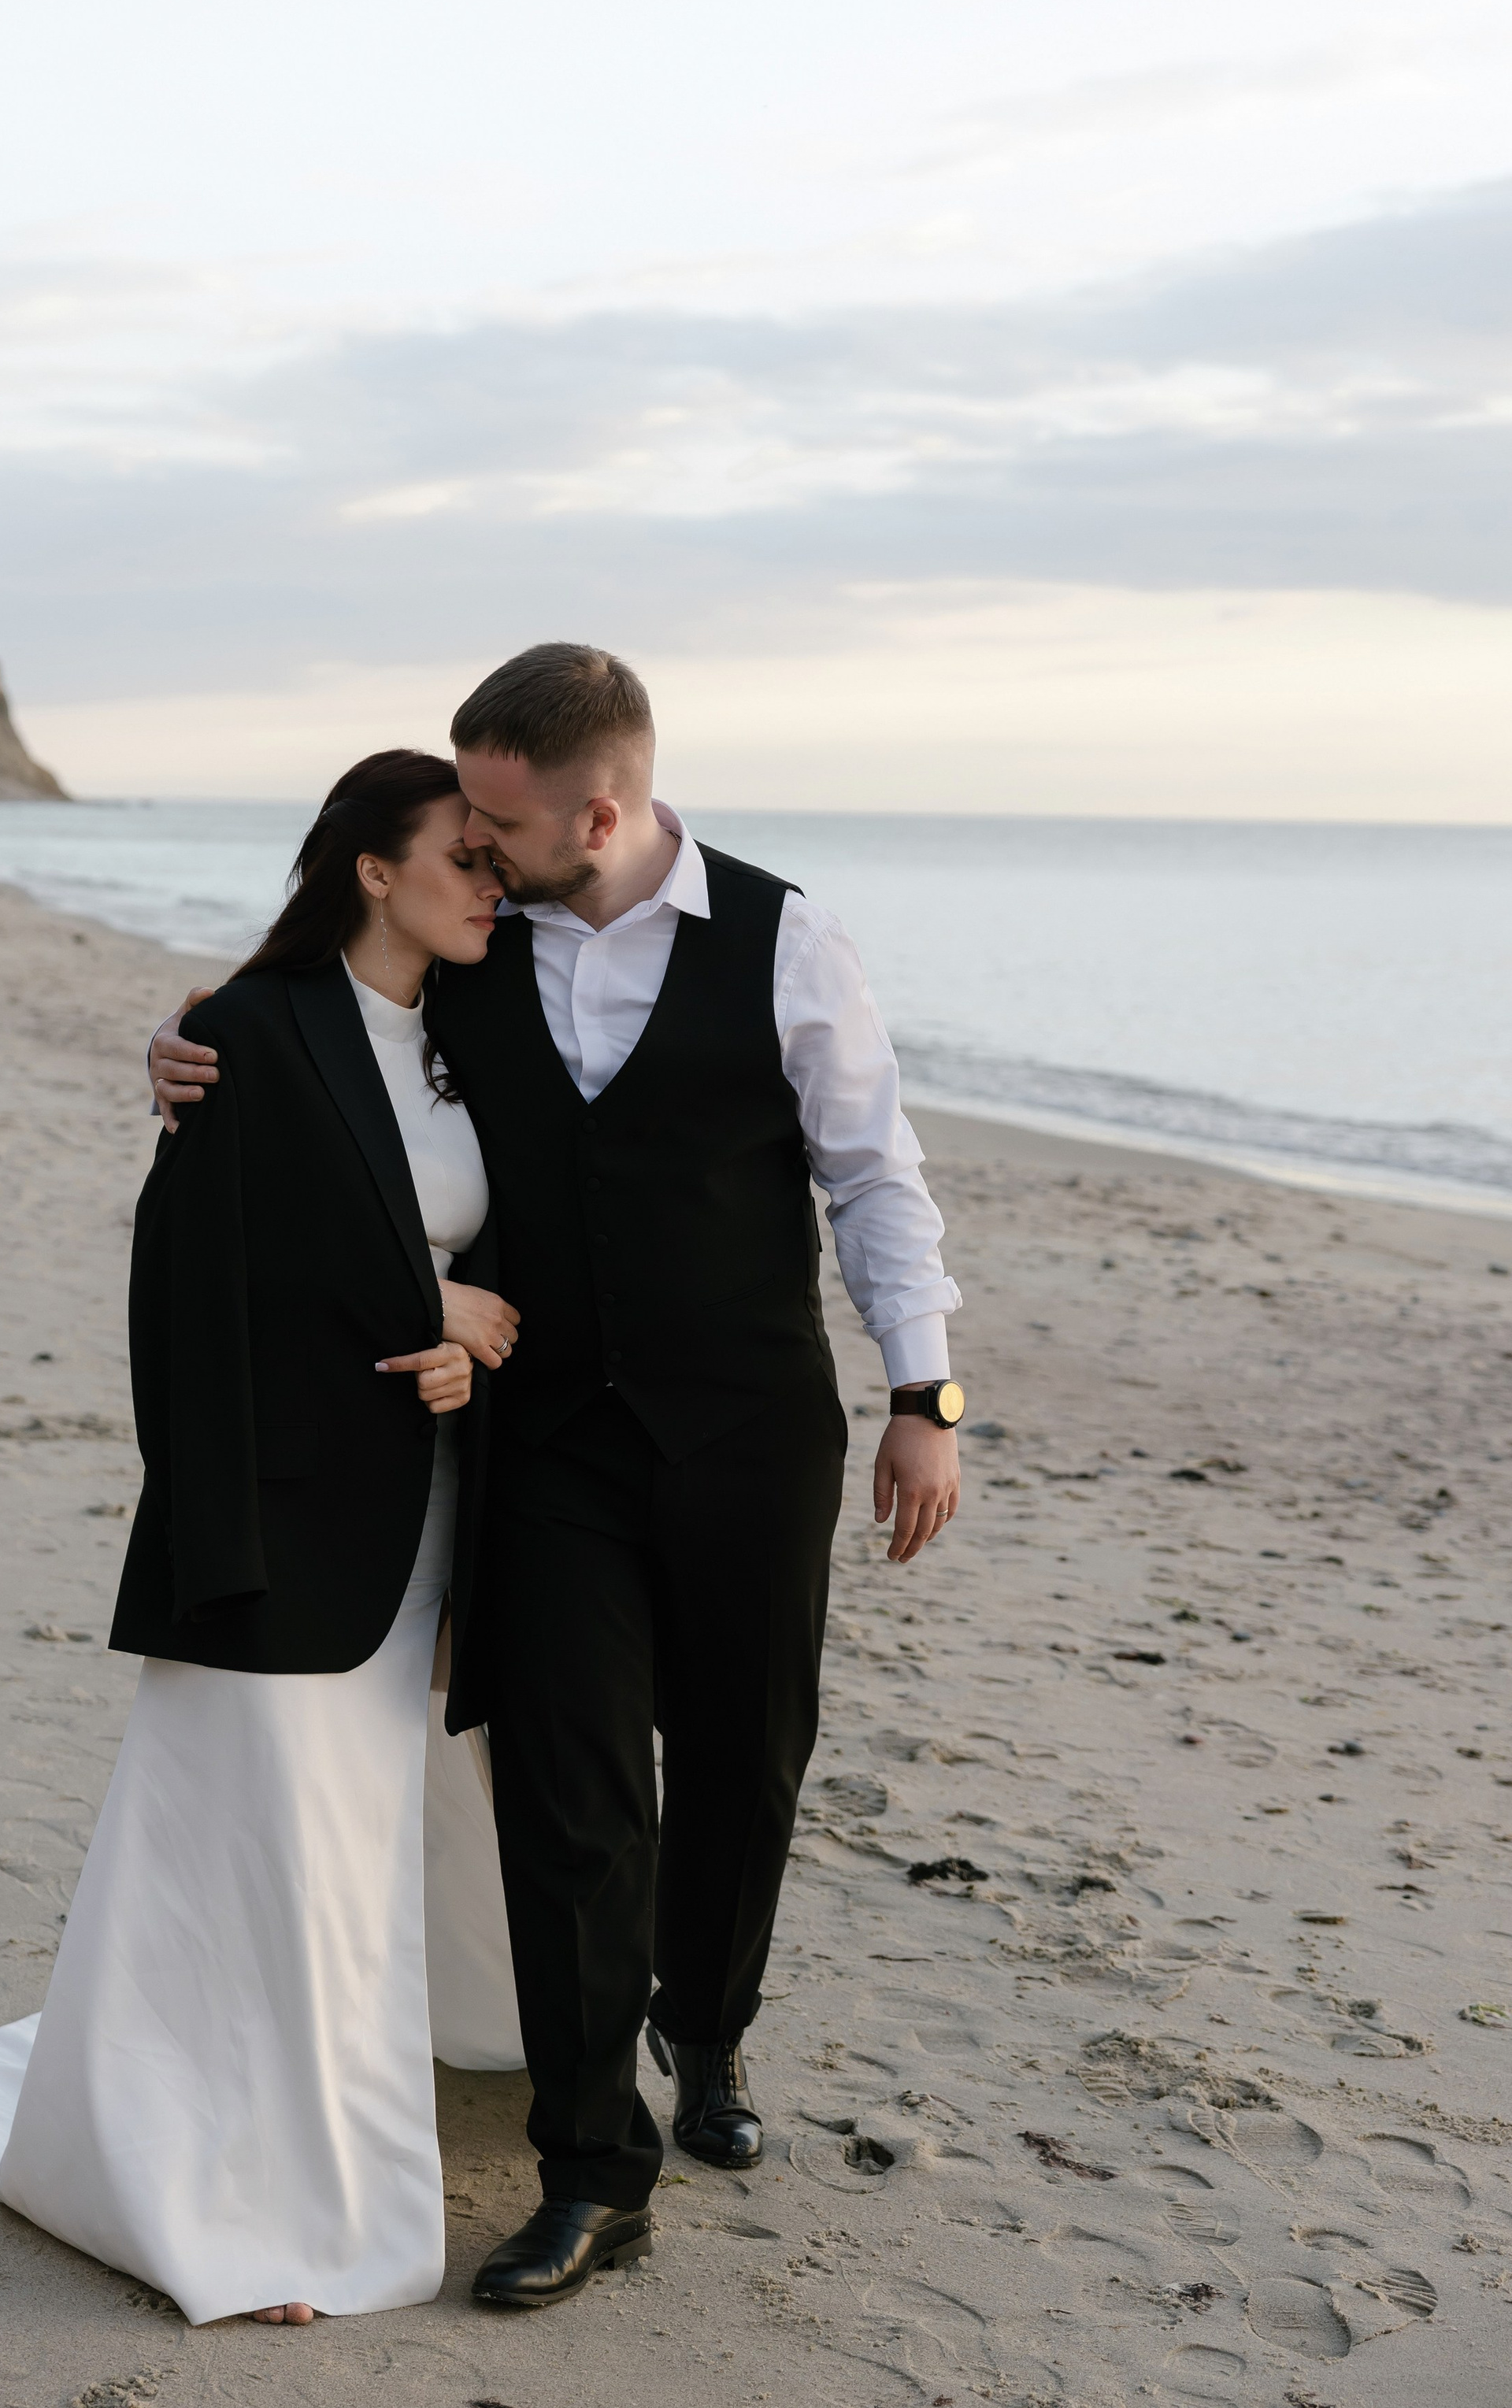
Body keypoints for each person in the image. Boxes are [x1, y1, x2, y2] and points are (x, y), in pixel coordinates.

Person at [149, 644, 965, 2309]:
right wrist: (182, 1041)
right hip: (550, 1444)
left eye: (503, 825)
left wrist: (921, 1391)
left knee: (743, 1763)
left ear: (601, 806)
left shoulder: (787, 938)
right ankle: (594, 2162)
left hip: (746, 1427)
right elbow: (322, 1034)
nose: (479, 850)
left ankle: (708, 2027)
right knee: (568, 1793)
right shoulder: (474, 941)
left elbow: (875, 1176)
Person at [0, 750, 524, 2327]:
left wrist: (473, 1342)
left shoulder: (477, 1030)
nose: (489, 882)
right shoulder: (242, 1035)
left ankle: (275, 2130)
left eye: (495, 857)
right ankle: (244, 2193)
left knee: (344, 1840)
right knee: (267, 1845)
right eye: (459, 855)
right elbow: (193, 1296)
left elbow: (514, 1253)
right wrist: (416, 1303)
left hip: (427, 1513)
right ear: (367, 866)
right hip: (277, 1512)